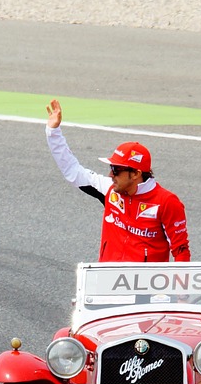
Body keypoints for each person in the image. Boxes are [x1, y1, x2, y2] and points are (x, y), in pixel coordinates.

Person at [45, 99, 190, 263]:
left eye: (116, 170)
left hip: (145, 280)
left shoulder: (167, 202)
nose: (110, 175)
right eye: (111, 168)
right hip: (107, 277)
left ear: (135, 174)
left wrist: (178, 280)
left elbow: (181, 252)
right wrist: (53, 132)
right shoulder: (110, 189)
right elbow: (72, 170)